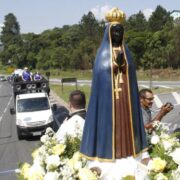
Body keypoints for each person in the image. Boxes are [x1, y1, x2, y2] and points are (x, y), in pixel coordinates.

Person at [80, 8, 147, 161]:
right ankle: (107, 151)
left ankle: (129, 149)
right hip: (108, 98)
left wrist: (124, 65)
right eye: (115, 32)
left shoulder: (126, 51)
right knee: (108, 123)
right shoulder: (102, 52)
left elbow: (130, 71)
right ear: (108, 33)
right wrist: (114, 66)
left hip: (125, 96)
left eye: (120, 32)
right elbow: (100, 71)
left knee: (127, 122)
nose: (118, 35)